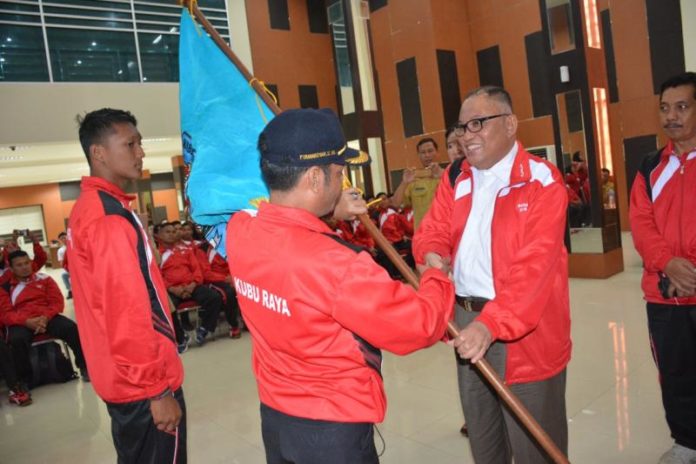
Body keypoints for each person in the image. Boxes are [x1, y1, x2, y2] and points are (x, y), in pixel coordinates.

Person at [226, 108, 455, 464]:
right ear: (316, 178)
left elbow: (287, 239)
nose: (343, 181)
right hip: (333, 430)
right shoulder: (339, 265)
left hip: (277, 417)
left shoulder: (240, 230)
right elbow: (419, 325)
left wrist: (330, 215)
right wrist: (436, 276)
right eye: (340, 173)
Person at [413, 86, 571, 464]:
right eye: (462, 127)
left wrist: (491, 324)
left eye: (478, 124)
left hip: (525, 331)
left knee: (535, 444)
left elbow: (534, 269)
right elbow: (431, 230)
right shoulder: (457, 177)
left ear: (511, 124)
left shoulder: (541, 181)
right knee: (484, 440)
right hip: (466, 321)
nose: (467, 136)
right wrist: (430, 253)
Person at [67, 108, 186, 463]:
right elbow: (126, 312)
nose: (141, 153)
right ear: (98, 153)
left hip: (121, 377)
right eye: (130, 144)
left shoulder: (91, 208)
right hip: (141, 385)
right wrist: (156, 390)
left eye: (141, 143)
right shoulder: (107, 219)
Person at [629, 71, 696, 464]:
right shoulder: (650, 166)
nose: (672, 116)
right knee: (675, 375)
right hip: (665, 297)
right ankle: (687, 442)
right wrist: (669, 263)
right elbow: (641, 224)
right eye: (665, 108)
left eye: (682, 106)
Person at [0, 250, 88, 384]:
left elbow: (57, 302)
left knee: (71, 328)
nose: (24, 267)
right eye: (19, 265)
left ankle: (84, 367)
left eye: (27, 263)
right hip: (22, 322)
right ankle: (24, 379)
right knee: (17, 340)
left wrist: (45, 318)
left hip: (47, 317)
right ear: (11, 268)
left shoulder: (45, 279)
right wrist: (26, 322)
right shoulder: (4, 288)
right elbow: (6, 314)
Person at [391, 137, 445, 229]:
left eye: (430, 151)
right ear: (419, 155)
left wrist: (442, 176)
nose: (427, 155)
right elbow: (396, 203)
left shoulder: (449, 175)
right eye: (423, 152)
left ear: (437, 152)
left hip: (446, 232)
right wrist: (404, 183)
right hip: (423, 235)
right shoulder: (413, 179)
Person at [56, 232, 72, 299]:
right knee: (64, 275)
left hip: (78, 268)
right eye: (62, 238)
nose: (64, 239)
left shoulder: (74, 245)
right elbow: (61, 263)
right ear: (60, 240)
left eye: (65, 237)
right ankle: (70, 290)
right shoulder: (61, 250)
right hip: (68, 268)